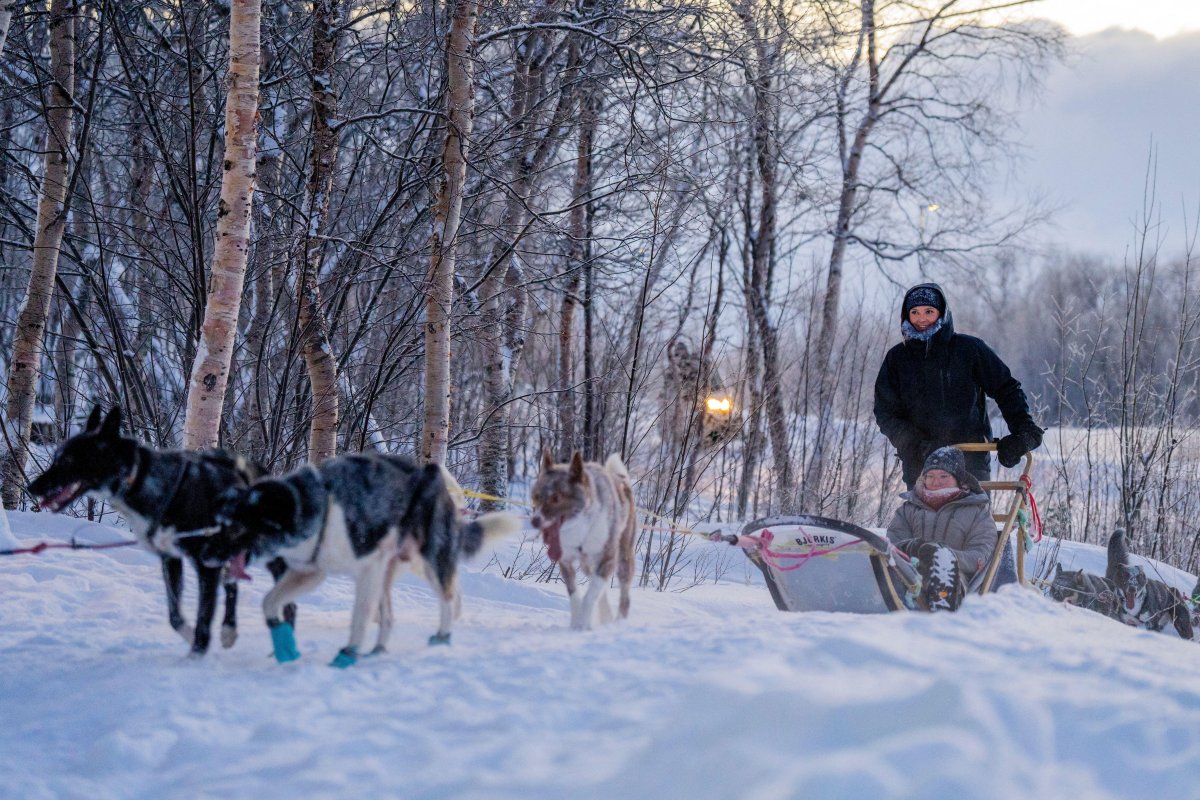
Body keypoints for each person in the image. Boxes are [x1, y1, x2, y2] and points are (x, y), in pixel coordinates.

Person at [874, 282, 1043, 490]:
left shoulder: (968, 350)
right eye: (915, 312)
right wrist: (915, 444)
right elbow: (885, 412)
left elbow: (1006, 389)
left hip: (970, 463)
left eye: (929, 311)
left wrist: (1024, 430)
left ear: (941, 313)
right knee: (924, 523)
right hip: (921, 465)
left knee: (972, 522)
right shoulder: (897, 359)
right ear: (906, 315)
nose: (922, 318)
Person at [886, 447, 998, 611]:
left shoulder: (977, 513)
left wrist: (942, 555)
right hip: (907, 575)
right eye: (929, 476)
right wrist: (920, 552)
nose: (935, 482)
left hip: (954, 580)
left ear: (958, 480)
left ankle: (941, 618)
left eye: (944, 476)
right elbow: (894, 545)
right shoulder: (909, 509)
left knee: (940, 564)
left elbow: (979, 556)